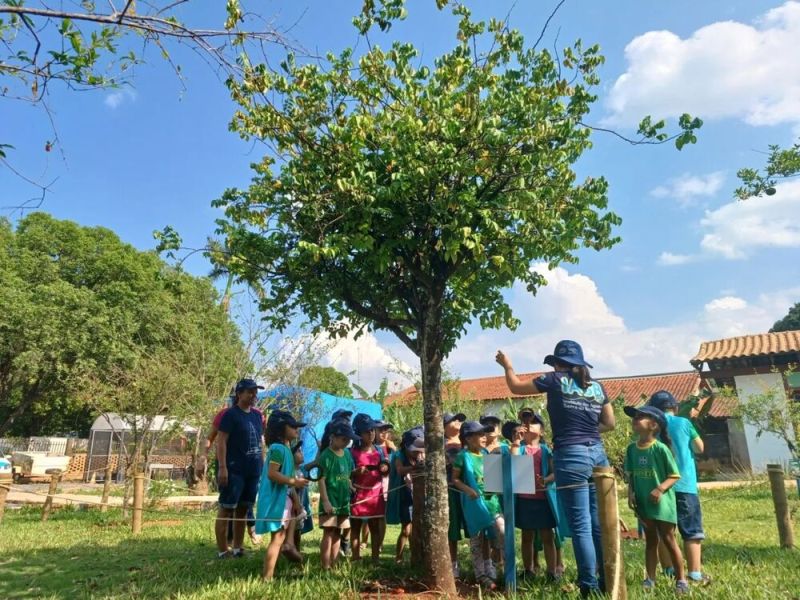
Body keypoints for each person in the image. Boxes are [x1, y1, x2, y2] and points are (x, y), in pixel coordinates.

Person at [497, 341, 615, 597]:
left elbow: (515, 386)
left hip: (571, 455)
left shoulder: (553, 380)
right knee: (598, 523)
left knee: (581, 525)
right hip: (598, 454)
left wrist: (507, 366)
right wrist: (588, 433)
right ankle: (607, 580)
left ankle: (589, 586)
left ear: (558, 363)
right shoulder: (597, 387)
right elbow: (610, 423)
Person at [648, 390, 711, 585]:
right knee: (692, 532)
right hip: (685, 485)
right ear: (675, 407)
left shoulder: (651, 426)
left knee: (664, 532)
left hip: (660, 487)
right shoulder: (685, 423)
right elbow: (700, 448)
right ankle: (694, 574)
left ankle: (668, 570)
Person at [624, 404, 688, 594]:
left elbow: (674, 475)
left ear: (653, 425)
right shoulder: (631, 449)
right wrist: (631, 493)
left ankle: (681, 580)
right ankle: (650, 578)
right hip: (643, 504)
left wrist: (659, 489)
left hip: (662, 505)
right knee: (650, 541)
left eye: (640, 416)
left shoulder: (660, 449)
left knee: (668, 539)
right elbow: (631, 476)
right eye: (634, 417)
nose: (635, 419)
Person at [451, 420, 505, 590]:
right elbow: (455, 479)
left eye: (484, 434)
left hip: (492, 503)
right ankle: (481, 574)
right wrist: (467, 489)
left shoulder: (487, 455)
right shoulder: (462, 456)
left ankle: (495, 568)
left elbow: (495, 481)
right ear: (468, 438)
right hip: (474, 503)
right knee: (477, 539)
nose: (484, 437)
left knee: (500, 533)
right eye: (480, 434)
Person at [215, 378, 266, 559]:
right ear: (239, 394)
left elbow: (260, 441)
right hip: (234, 469)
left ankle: (238, 548)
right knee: (227, 508)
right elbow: (221, 441)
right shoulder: (231, 415)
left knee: (244, 508)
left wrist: (263, 464)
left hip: (253, 470)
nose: (254, 395)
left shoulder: (257, 415)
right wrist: (222, 467)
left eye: (255, 392)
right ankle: (223, 550)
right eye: (250, 392)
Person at [255, 410, 309, 579]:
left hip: (284, 500)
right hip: (275, 501)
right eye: (293, 427)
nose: (296, 430)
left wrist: (297, 503)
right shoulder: (277, 449)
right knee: (277, 538)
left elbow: (289, 477)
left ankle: (275, 568)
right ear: (281, 428)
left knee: (280, 536)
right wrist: (295, 483)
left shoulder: (286, 450)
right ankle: (267, 577)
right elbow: (272, 474)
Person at [318, 420, 357, 570]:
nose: (346, 443)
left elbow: (346, 475)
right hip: (331, 501)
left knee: (338, 533)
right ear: (332, 437)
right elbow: (321, 479)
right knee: (329, 532)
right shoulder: (326, 456)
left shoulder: (347, 454)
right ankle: (325, 565)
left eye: (348, 440)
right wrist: (326, 501)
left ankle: (334, 563)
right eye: (343, 439)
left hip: (343, 501)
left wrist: (350, 486)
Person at [349, 413, 387, 562]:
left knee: (375, 527)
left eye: (372, 430)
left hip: (376, 494)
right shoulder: (351, 453)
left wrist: (385, 468)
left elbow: (386, 469)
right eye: (366, 431)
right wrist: (356, 472)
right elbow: (347, 473)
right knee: (356, 527)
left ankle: (375, 558)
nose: (371, 434)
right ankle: (355, 557)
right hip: (358, 493)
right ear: (358, 433)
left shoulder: (379, 451)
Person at [386, 427, 424, 563]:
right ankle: (399, 557)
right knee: (406, 529)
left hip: (417, 495)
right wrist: (416, 467)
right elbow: (400, 470)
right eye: (415, 448)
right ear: (407, 445)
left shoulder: (420, 454)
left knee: (417, 529)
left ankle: (416, 557)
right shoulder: (398, 455)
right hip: (403, 495)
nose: (418, 451)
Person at [444, 412, 467, 578]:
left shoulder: (468, 441)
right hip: (450, 490)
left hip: (469, 489)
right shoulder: (439, 444)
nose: (458, 422)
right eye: (453, 420)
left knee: (475, 527)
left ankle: (483, 563)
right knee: (452, 528)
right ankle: (453, 564)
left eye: (459, 420)